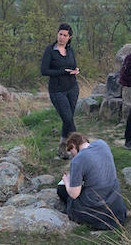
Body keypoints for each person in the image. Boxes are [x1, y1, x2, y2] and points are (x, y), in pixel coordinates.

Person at [57, 132, 127, 230]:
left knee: (61, 189)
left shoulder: (78, 160)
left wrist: (66, 180)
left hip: (95, 203)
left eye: (71, 152)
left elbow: (74, 194)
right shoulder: (102, 144)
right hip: (114, 200)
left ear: (73, 146)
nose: (73, 156)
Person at [41, 23, 80, 159]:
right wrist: (62, 72)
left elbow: (73, 66)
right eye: (60, 34)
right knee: (68, 120)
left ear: (69, 37)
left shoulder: (70, 50)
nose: (62, 37)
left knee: (67, 120)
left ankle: (62, 148)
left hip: (72, 89)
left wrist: (76, 70)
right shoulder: (50, 50)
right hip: (57, 91)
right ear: (57, 34)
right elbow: (44, 70)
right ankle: (80, 149)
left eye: (65, 35)